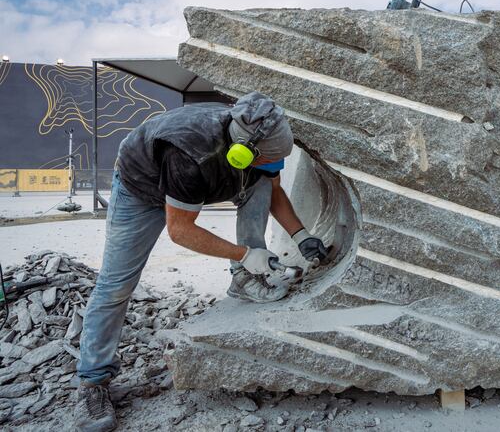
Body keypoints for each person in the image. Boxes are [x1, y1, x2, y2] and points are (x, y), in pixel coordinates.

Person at [74, 92, 329, 432]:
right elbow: (180, 230)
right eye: (267, 161)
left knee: (260, 186)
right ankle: (92, 383)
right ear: (242, 153)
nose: (273, 167)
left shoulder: (258, 135)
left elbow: (272, 188)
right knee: (116, 286)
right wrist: (246, 254)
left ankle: (244, 280)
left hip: (218, 173)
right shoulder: (189, 153)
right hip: (142, 189)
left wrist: (301, 236)